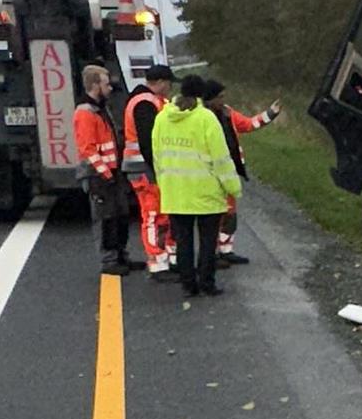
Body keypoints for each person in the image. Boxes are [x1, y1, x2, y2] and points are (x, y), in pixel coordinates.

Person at [152, 75, 239, 297]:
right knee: (208, 242)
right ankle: (207, 283)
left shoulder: (163, 118)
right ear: (201, 95)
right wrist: (233, 187)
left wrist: (164, 184)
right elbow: (221, 158)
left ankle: (188, 284)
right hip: (205, 192)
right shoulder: (206, 119)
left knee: (183, 242)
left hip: (175, 192)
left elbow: (157, 157)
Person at [194, 78, 281, 266]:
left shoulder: (227, 113)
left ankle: (226, 249)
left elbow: (249, 124)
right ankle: (212, 253)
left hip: (228, 171)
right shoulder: (199, 117)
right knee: (212, 217)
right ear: (209, 99)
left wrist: (270, 114)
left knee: (230, 214)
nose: (223, 101)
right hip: (208, 175)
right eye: (220, 97)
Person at [73, 64, 131, 275]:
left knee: (120, 215)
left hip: (111, 170)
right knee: (105, 218)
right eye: (106, 84)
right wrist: (105, 172)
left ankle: (121, 255)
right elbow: (88, 148)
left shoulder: (101, 108)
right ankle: (109, 261)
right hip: (98, 174)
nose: (110, 88)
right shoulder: (86, 113)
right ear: (95, 85)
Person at [121, 64, 177, 280]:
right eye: (169, 83)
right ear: (161, 82)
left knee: (161, 214)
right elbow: (148, 142)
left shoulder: (149, 100)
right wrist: (158, 170)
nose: (170, 88)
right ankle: (157, 264)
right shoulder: (145, 103)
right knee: (153, 215)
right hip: (144, 169)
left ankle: (164, 259)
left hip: (146, 168)